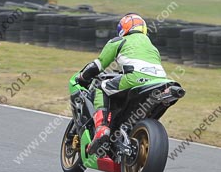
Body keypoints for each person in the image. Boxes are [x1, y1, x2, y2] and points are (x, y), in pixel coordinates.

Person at [72, 13, 167, 153]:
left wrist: (81, 77)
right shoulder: (152, 47)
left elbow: (97, 66)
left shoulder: (118, 41)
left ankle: (102, 128)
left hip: (136, 78)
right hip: (162, 82)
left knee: (101, 88)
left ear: (123, 28)